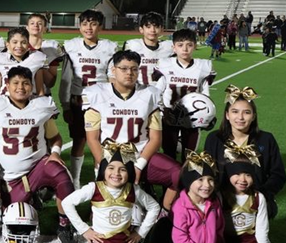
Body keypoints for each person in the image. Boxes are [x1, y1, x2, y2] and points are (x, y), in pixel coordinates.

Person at [0, 66, 77, 243]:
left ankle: (65, 226)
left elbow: (55, 138)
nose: (20, 87)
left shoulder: (41, 107)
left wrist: (55, 152)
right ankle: (32, 197)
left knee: (63, 176)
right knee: (17, 222)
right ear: (6, 85)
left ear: (31, 86)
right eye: (15, 83)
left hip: (39, 166)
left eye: (25, 83)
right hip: (13, 177)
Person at [83, 50, 181, 213]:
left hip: (141, 155)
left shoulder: (150, 94)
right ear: (113, 70)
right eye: (124, 68)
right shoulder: (96, 94)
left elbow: (155, 139)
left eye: (134, 69)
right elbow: (92, 138)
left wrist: (139, 166)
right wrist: (105, 165)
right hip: (110, 157)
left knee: (178, 174)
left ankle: (163, 215)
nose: (129, 73)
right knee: (106, 214)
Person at [62, 140, 160, 243]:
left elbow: (154, 207)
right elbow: (67, 202)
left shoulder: (133, 190)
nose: (116, 173)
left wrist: (140, 233)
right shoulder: (94, 188)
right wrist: (84, 230)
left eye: (122, 169)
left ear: (129, 171)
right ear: (103, 169)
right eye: (111, 168)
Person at [203, 85, 286, 219]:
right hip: (222, 202)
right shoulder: (214, 138)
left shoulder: (266, 139)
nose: (240, 117)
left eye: (246, 112)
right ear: (227, 115)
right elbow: (207, 172)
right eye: (235, 111)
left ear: (253, 116)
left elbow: (278, 174)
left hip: (256, 204)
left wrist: (260, 196)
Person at [59, 10, 118, 189]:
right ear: (79, 26)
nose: (89, 28)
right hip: (78, 101)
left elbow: (111, 77)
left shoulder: (109, 47)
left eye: (93, 24)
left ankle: (98, 179)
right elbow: (66, 79)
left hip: (100, 102)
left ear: (100, 26)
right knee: (79, 140)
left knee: (101, 142)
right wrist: (66, 106)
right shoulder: (71, 46)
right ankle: (76, 181)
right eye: (85, 24)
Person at [163, 151, 236, 243]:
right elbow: (181, 241)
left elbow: (219, 234)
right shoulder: (180, 206)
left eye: (210, 180)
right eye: (200, 179)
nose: (207, 185)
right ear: (189, 182)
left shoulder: (214, 203)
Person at [154, 28, 216, 161]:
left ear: (195, 46)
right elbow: (157, 91)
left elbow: (205, 94)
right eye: (180, 45)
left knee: (189, 154)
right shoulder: (166, 65)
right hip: (170, 114)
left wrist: (208, 114)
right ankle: (169, 179)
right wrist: (162, 110)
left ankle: (186, 179)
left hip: (193, 116)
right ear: (174, 47)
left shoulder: (203, 66)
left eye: (189, 45)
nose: (185, 49)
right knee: (168, 151)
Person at [221, 158, 273, 243]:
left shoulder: (258, 197)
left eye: (248, 175)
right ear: (228, 175)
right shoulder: (220, 195)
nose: (243, 180)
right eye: (237, 174)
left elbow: (262, 228)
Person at [0, 27, 46, 96]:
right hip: (5, 101)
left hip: (30, 102)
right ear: (7, 44)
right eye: (15, 42)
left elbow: (40, 90)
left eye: (23, 42)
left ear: (28, 44)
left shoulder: (37, 58)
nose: (19, 46)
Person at [123, 11, 174, 87]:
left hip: (162, 92)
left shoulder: (169, 47)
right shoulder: (133, 46)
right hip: (139, 91)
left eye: (156, 27)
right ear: (141, 29)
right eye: (148, 27)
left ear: (162, 29)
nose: (152, 30)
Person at [26, 13, 65, 95]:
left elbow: (51, 83)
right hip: (21, 94)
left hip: (43, 94)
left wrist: (39, 63)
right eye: (32, 23)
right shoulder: (19, 48)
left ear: (44, 28)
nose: (35, 25)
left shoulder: (51, 48)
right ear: (27, 28)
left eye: (39, 23)